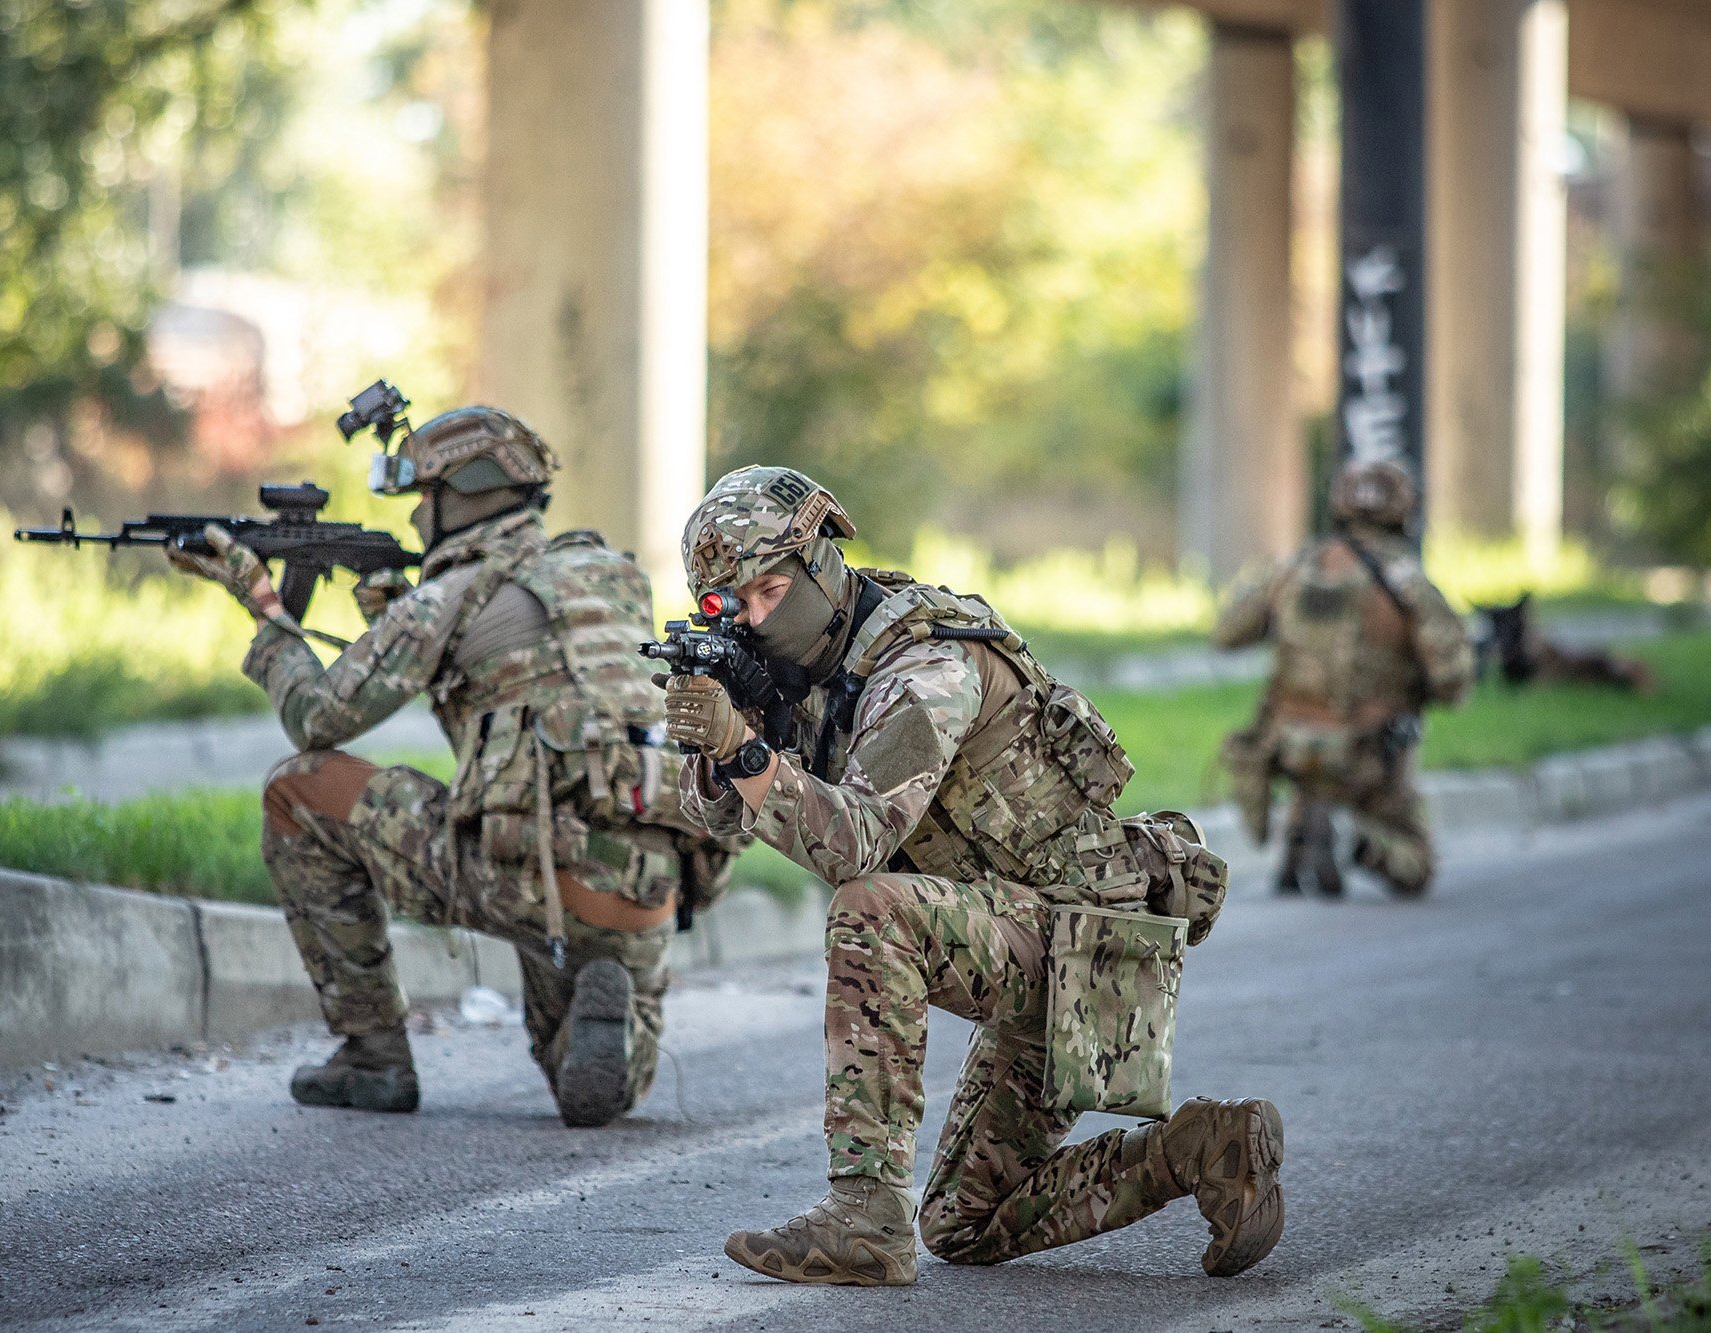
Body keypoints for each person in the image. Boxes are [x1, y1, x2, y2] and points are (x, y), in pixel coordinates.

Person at [664, 465, 1283, 1286]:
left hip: (1088, 952)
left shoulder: (924, 668)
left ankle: (864, 1216)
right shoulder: (811, 666)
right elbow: (715, 818)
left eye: (768, 592)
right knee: (964, 1222)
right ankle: (1208, 1148)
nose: (752, 619)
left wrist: (744, 749)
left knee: (871, 907)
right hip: (1028, 935)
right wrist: (724, 736)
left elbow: (855, 844)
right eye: (732, 606)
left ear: (822, 566)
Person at [171, 405, 736, 1127]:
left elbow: (318, 717)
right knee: (590, 1080)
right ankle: (609, 1002)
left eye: (423, 500)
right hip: (646, 884)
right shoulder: (611, 576)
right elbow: (518, 708)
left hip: (525, 872)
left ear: (459, 494)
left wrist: (264, 608)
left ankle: (373, 1056)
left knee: (296, 789)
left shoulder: (445, 601)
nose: (413, 523)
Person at [1211, 459, 1473, 898]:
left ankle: (1302, 831)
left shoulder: (1293, 571)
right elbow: (1452, 679)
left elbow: (1226, 634)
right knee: (1417, 870)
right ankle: (1360, 841)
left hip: (1289, 749)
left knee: (1305, 757)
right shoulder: (1407, 583)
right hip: (1367, 755)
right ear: (1404, 512)